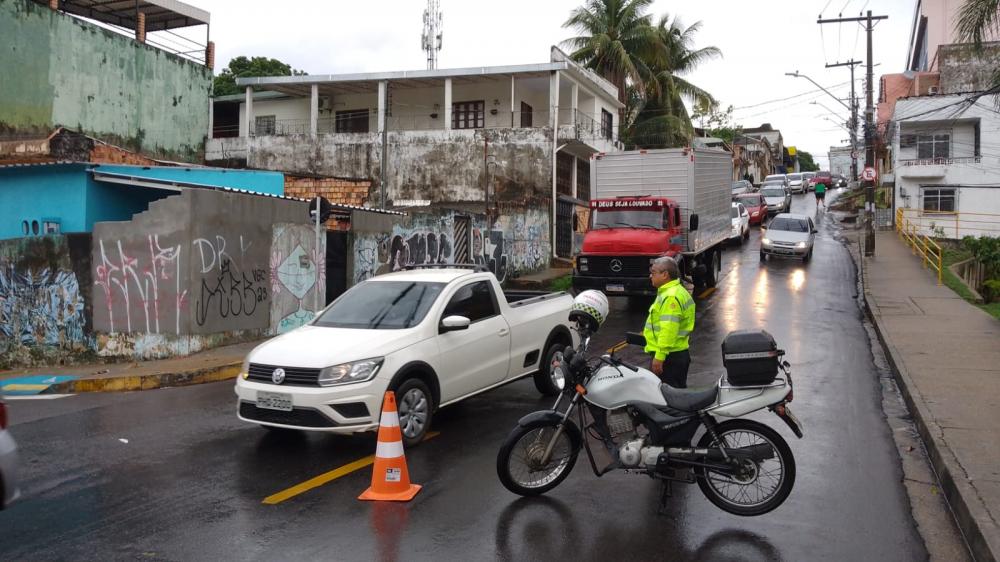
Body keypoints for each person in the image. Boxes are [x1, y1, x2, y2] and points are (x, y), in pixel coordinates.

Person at [643, 257, 695, 388]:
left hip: (669, 358)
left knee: (667, 400)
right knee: (677, 396)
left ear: (665, 274)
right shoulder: (675, 291)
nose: (650, 276)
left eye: (654, 272)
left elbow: (669, 330)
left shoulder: (671, 296)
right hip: (676, 354)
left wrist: (659, 357)